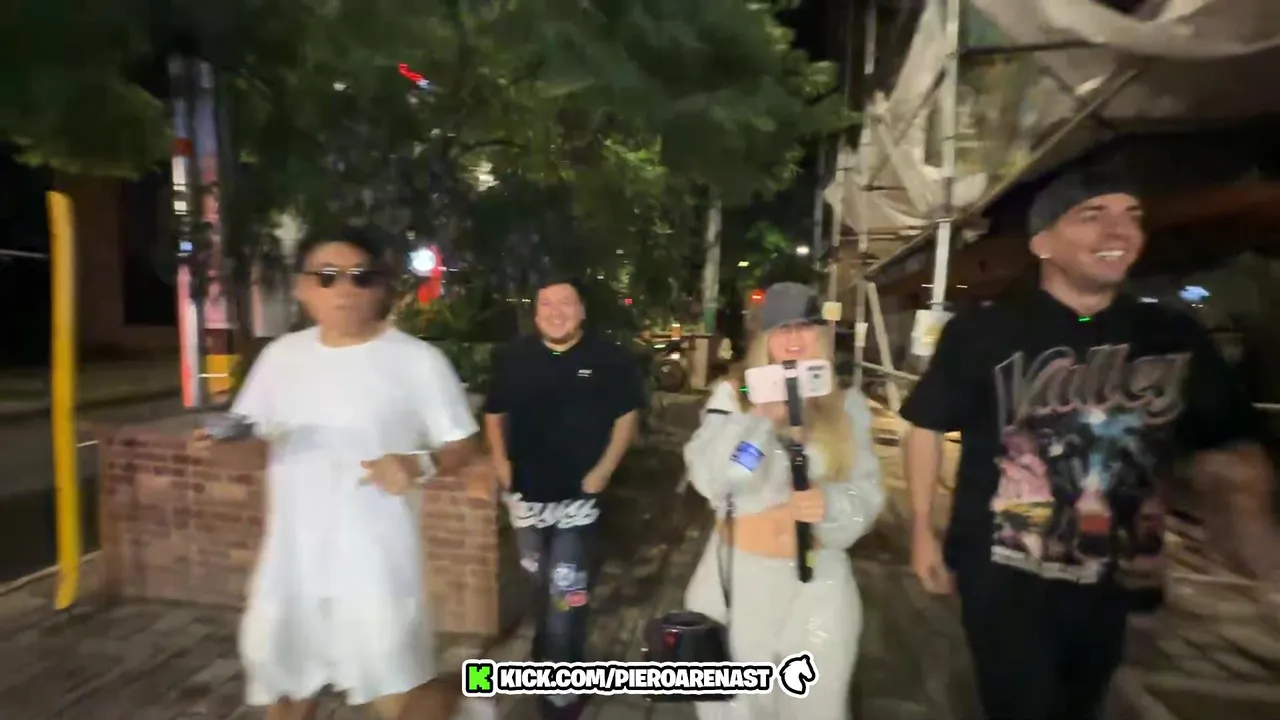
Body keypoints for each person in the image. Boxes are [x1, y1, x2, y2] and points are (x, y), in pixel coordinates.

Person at [901, 165, 1280, 720]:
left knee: (1082, 703)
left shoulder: (1172, 338)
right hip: (1004, 576)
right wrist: (921, 531)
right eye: (1092, 216)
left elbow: (1227, 449)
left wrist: (1256, 542)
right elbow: (926, 423)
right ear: (1042, 242)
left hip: (1115, 580)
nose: (1118, 231)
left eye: (1132, 216)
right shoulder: (983, 332)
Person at [191, 227, 481, 720]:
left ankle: (464, 702)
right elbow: (253, 448)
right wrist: (216, 451)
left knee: (397, 693)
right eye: (327, 277)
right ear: (302, 288)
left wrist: (418, 463)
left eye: (360, 277)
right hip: (291, 562)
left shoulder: (418, 361)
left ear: (380, 288)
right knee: (285, 690)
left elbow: (463, 442)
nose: (344, 289)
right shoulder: (280, 358)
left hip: (376, 560)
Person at [682, 282, 885, 720]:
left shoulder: (847, 404)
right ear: (764, 338)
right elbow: (719, 479)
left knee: (816, 707)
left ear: (822, 334)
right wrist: (760, 420)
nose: (793, 338)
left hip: (817, 588)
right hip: (737, 584)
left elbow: (867, 492)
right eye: (780, 329)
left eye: (804, 327)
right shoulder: (735, 395)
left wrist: (830, 505)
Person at [482, 277, 643, 720]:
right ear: (536, 313)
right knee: (541, 591)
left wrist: (603, 470)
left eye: (566, 303)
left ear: (582, 311)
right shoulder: (513, 358)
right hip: (526, 501)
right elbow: (494, 414)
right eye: (547, 304)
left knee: (564, 596)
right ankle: (552, 663)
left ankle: (562, 695)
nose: (556, 312)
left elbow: (627, 417)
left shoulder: (609, 358)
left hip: (578, 502)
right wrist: (500, 463)